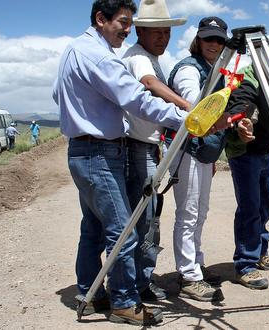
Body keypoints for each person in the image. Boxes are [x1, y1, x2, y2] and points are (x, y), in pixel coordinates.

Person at [52, 0, 190, 326]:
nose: (127, 31)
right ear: (101, 19)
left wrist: (86, 112)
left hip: (84, 151)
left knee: (94, 228)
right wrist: (185, 118)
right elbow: (138, 99)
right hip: (99, 153)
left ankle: (91, 289)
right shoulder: (98, 57)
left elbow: (58, 95)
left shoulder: (73, 50)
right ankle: (125, 303)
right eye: (123, 23)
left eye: (130, 24)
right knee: (123, 231)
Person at [121, 0, 187, 304]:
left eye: (166, 32)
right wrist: (188, 107)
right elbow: (149, 84)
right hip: (137, 147)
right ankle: (139, 284)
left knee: (149, 215)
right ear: (140, 31)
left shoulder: (148, 56)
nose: (162, 38)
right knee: (145, 218)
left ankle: (140, 280)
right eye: (156, 32)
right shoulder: (139, 59)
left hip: (148, 145)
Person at [223, 33, 269, 290]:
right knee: (250, 207)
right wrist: (244, 123)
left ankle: (260, 249)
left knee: (266, 203)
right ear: (263, 55)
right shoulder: (247, 76)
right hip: (244, 151)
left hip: (266, 149)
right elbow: (242, 104)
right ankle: (245, 264)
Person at [166, 16, 228, 301]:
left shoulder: (214, 70)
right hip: (187, 150)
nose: (214, 44)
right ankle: (189, 276)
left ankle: (196, 266)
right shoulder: (189, 69)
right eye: (208, 38)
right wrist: (228, 119)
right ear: (198, 40)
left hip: (204, 152)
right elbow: (194, 104)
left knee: (200, 212)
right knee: (188, 213)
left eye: (219, 39)